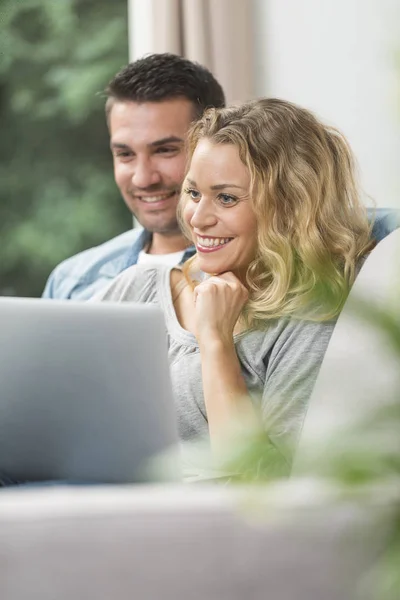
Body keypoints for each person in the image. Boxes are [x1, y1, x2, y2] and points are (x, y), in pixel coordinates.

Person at [95, 98, 374, 480]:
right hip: (95, 490)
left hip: (191, 525)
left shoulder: (310, 317)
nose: (198, 218)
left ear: (290, 207)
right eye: (194, 193)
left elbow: (258, 487)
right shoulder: (138, 289)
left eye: (225, 198)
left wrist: (215, 340)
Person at [42, 53, 226, 300]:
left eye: (165, 150)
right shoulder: (72, 282)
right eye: (125, 154)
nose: (143, 179)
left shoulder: (268, 285)